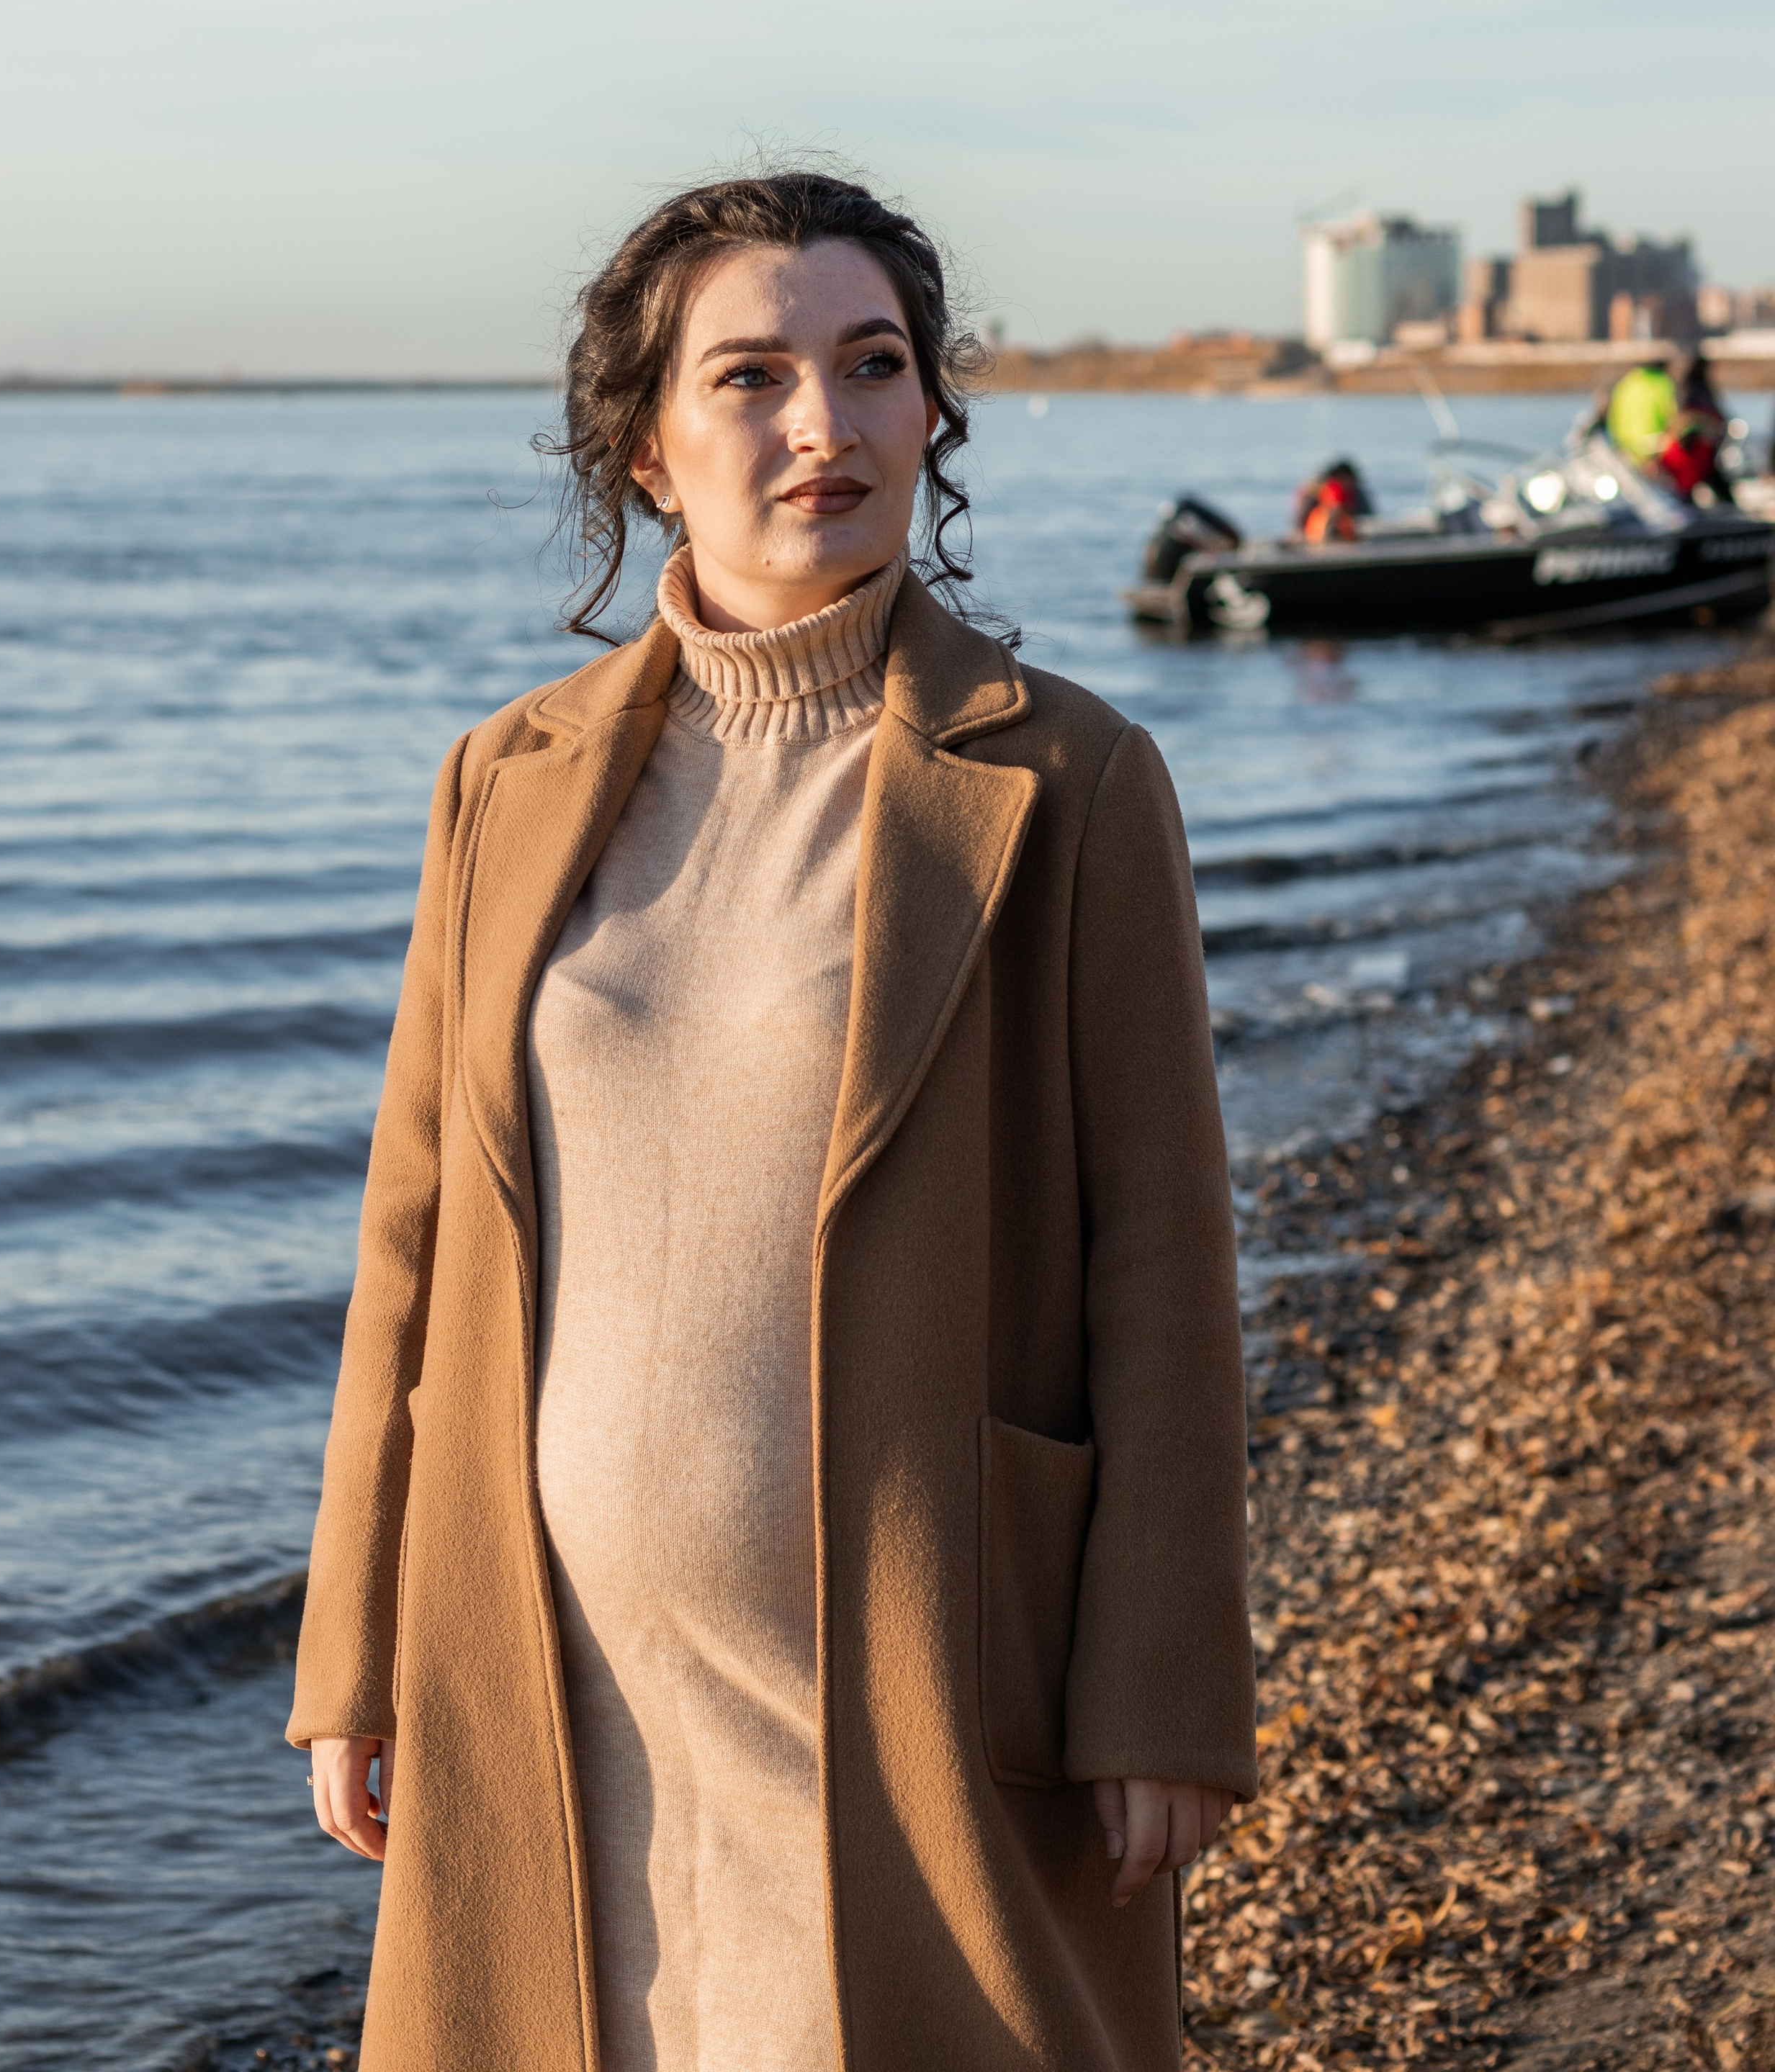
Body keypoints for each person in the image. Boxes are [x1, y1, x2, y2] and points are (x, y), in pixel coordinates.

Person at [288, 171, 1256, 2072]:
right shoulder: (510, 783)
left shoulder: (1067, 781)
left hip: (921, 1668)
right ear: (647, 450)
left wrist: (1165, 1682)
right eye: (752, 377)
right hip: (558, 1681)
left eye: (874, 365)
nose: (826, 423)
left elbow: (1164, 1252)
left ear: (931, 415)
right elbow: (413, 1240)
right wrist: (360, 1638)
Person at [1660, 348, 1732, 501]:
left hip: (1700, 442)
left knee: (1697, 478)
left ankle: (1689, 504)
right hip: (1698, 443)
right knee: (1699, 476)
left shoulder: (1689, 387)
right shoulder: (1695, 388)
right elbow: (1688, 416)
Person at [1603, 354, 1678, 470]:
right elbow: (1673, 419)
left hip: (1624, 453)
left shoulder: (1626, 383)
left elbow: (1613, 418)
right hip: (1653, 454)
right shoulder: (1662, 383)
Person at [1294, 456, 1372, 543]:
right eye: (1342, 478)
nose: (1345, 483)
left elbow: (1369, 518)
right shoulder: (1318, 492)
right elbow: (1300, 520)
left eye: (1347, 478)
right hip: (1316, 535)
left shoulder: (1357, 494)